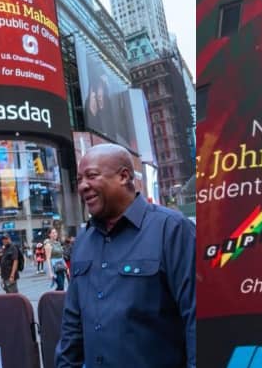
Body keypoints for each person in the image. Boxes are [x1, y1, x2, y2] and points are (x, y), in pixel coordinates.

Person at [55, 144, 196, 368]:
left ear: (124, 176)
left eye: (91, 176)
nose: (83, 186)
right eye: (79, 179)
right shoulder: (83, 240)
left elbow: (196, 319)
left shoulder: (172, 229)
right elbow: (72, 327)